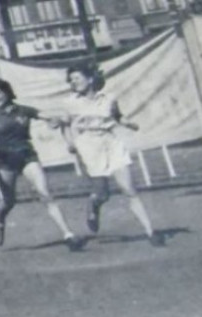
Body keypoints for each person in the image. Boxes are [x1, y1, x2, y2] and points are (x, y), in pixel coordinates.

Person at [57, 63, 161, 246]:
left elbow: (117, 116)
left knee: (129, 189)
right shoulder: (70, 102)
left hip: (111, 142)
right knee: (102, 194)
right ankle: (93, 204)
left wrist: (129, 124)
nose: (74, 82)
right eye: (71, 80)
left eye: (77, 78)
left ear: (90, 79)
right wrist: (69, 143)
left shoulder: (109, 98)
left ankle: (150, 232)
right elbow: (64, 124)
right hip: (88, 146)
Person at [0, 77, 80, 250]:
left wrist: (56, 120)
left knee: (46, 193)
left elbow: (47, 117)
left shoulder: (23, 110)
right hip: (3, 161)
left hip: (26, 156)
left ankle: (68, 234)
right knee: (8, 202)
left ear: (7, 92)